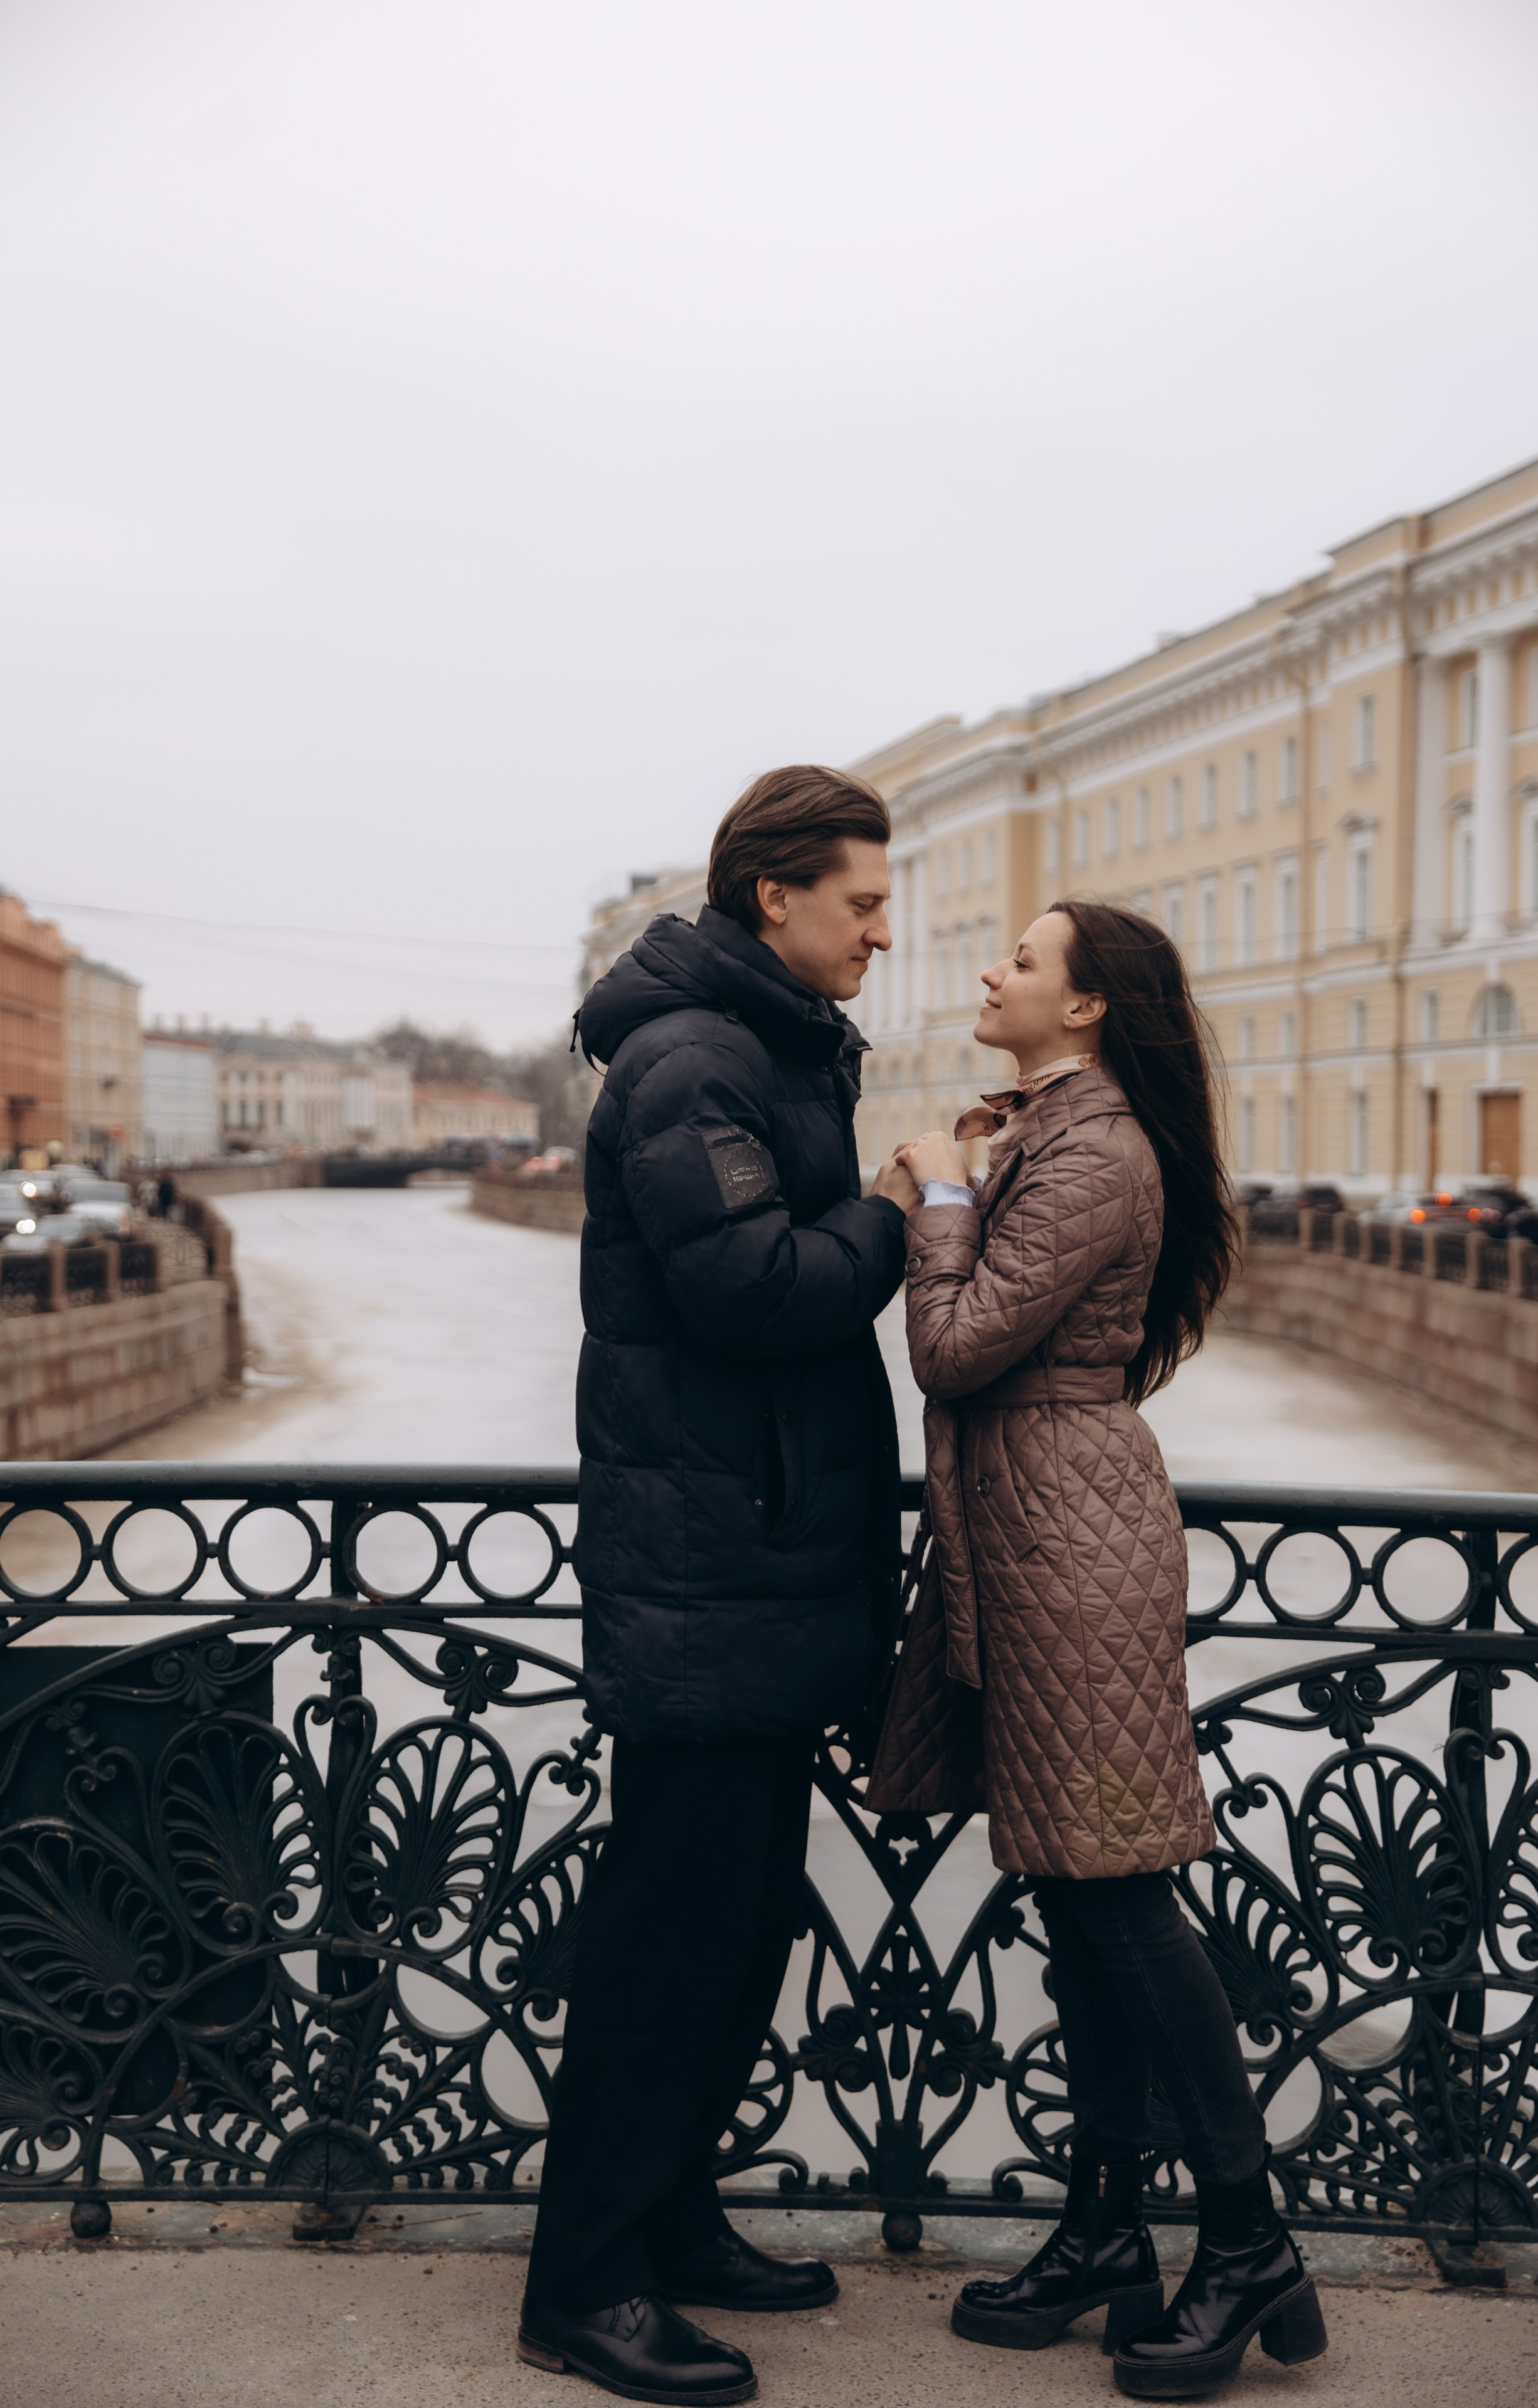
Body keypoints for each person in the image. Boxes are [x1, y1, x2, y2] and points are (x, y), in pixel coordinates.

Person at [869, 900, 1327, 2401]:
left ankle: (1249, 2240)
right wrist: (985, 1159)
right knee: (1074, 1904)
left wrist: (941, 1196)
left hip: (1070, 1546)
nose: (990, 970)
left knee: (1122, 1899)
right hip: (1034, 1529)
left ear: (1081, 1010)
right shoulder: (1067, 1131)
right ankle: (1106, 2233)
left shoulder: (1097, 1146)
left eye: (1021, 957)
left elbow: (953, 1347)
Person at [519, 766, 916, 2405]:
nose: (886, 932)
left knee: (742, 1923)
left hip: (753, 1564)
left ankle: (673, 2218)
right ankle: (584, 2279)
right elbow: (755, 1291)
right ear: (776, 897)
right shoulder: (696, 1062)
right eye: (863, 903)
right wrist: (897, 1212)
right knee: (666, 1945)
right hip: (704, 1572)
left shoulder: (765, 1050)